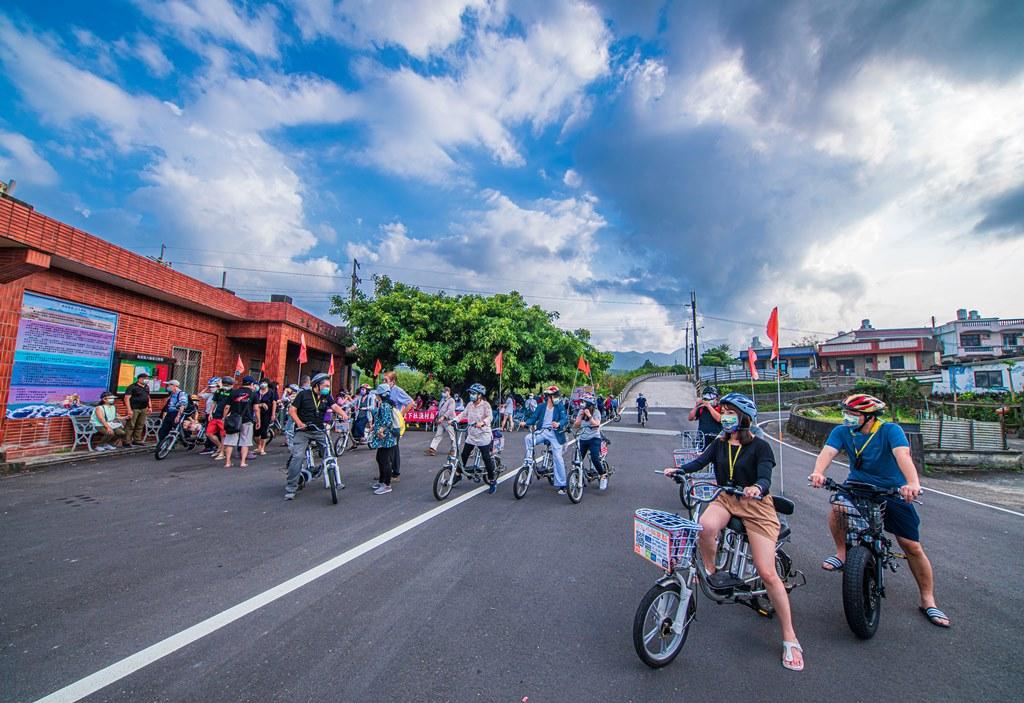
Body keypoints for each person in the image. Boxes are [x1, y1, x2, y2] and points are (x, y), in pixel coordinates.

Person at [664, 392, 803, 671]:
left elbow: (764, 476)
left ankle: (790, 636)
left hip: (756, 506)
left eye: (729, 412)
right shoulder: (720, 442)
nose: (724, 415)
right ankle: (713, 572)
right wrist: (680, 470)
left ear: (744, 418)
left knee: (767, 572)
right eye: (723, 410)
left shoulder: (761, 447)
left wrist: (758, 488)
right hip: (727, 498)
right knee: (705, 527)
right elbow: (700, 462)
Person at [809, 393, 950, 628]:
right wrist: (818, 472)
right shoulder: (842, 431)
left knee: (911, 545)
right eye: (847, 413)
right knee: (838, 507)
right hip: (857, 486)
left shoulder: (890, 431)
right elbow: (828, 453)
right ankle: (842, 553)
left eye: (853, 415)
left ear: (869, 417)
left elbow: (903, 455)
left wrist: (912, 483)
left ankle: (928, 600)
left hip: (892, 490)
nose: (848, 418)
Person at [284, 372, 334, 500]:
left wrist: (344, 414)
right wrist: (299, 423)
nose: (328, 388)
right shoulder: (303, 395)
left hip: (319, 430)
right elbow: (292, 410)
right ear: (317, 385)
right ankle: (291, 488)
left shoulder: (326, 396)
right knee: (298, 456)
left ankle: (335, 481)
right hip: (303, 431)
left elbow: (334, 406)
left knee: (329, 454)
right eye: (326, 385)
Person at [523, 386, 569, 494]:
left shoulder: (560, 407)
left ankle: (562, 484)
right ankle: (528, 461)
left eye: (558, 396)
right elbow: (534, 418)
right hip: (543, 432)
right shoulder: (541, 407)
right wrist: (526, 423)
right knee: (528, 438)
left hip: (555, 434)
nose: (557, 398)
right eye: (555, 396)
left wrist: (558, 424)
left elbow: (564, 419)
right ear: (549, 397)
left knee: (558, 457)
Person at [456, 383, 499, 493]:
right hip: (472, 434)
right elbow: (463, 414)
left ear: (480, 395)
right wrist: (454, 420)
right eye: (471, 393)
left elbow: (490, 417)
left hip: (483, 435)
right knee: (464, 455)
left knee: (486, 457)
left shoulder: (486, 405)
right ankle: (457, 474)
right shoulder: (470, 404)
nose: (471, 395)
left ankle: (492, 480)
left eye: (474, 393)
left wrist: (483, 422)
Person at [368, 384, 400, 495]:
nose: (376, 395)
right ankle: (382, 482)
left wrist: (381, 431)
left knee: (384, 461)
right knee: (380, 458)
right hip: (386, 437)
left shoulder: (385, 405)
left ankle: (387, 485)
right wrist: (375, 427)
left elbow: (388, 421)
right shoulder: (385, 404)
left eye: (377, 393)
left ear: (381, 394)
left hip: (387, 438)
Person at [572, 392, 608, 490]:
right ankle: (578, 478)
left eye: (584, 403)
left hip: (594, 439)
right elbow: (575, 425)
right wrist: (580, 416)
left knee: (595, 458)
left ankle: (603, 476)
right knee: (578, 461)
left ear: (589, 404)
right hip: (583, 439)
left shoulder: (596, 412)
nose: (582, 404)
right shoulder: (580, 412)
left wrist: (589, 416)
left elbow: (596, 425)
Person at [383, 371, 414, 481]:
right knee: (385, 448)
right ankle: (386, 472)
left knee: (394, 448)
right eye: (383, 380)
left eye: (386, 380)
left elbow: (411, 402)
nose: (384, 382)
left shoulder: (398, 391)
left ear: (393, 381)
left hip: (395, 424)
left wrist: (400, 414)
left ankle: (395, 473)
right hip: (386, 423)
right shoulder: (385, 391)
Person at [223, 375, 257, 468]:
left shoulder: (234, 392)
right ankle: (242, 462)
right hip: (247, 420)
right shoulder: (253, 394)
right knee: (245, 442)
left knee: (230, 441)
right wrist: (258, 420)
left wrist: (224, 418)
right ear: (252, 384)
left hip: (233, 420)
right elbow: (256, 408)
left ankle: (227, 462)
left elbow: (227, 407)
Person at [207, 377, 233, 460]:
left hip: (224, 417)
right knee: (209, 433)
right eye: (225, 384)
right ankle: (220, 447)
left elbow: (232, 406)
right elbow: (214, 402)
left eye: (228, 385)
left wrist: (227, 416)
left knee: (223, 435)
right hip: (216, 415)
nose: (226, 386)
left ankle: (222, 453)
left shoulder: (233, 393)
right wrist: (211, 412)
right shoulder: (219, 391)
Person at [122, 372, 152, 445]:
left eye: (148, 379)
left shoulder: (147, 387)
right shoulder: (132, 387)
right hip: (134, 408)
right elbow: (126, 398)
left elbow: (148, 397)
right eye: (145, 379)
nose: (147, 380)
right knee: (130, 425)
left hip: (143, 408)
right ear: (140, 379)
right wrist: (129, 409)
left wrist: (150, 407)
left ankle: (137, 440)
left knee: (140, 424)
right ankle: (126, 441)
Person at [426, 386, 457, 456]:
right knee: (438, 434)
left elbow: (450, 410)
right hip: (441, 421)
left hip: (448, 421)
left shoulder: (452, 400)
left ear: (448, 392)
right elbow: (440, 409)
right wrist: (438, 417)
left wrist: (443, 417)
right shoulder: (442, 400)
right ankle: (432, 448)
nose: (443, 393)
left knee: (451, 436)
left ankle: (454, 450)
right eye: (442, 392)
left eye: (444, 392)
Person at [157, 380, 189, 444]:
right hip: (170, 413)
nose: (168, 387)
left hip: (176, 413)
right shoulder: (172, 394)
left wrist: (178, 416)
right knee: (163, 430)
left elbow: (183, 405)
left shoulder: (181, 394)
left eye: (169, 385)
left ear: (174, 386)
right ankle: (160, 446)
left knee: (178, 430)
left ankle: (185, 441)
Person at [253, 379, 278, 456]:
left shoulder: (271, 393)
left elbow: (274, 403)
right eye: (261, 383)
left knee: (264, 430)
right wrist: (260, 405)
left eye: (264, 383)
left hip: (267, 414)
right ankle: (258, 446)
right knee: (256, 432)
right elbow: (254, 403)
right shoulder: (256, 393)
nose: (262, 384)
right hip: (257, 414)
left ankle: (262, 448)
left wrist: (273, 414)